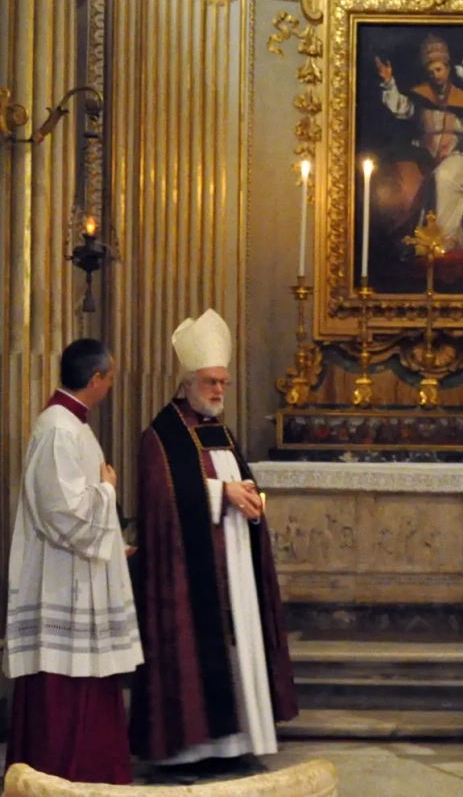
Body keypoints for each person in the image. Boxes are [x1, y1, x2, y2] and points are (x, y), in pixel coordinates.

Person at [130, 309, 298, 769]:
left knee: (237, 646)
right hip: (189, 578)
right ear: (187, 382)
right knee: (196, 648)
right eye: (210, 382)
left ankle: (238, 740)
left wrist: (251, 501)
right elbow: (160, 502)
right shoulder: (162, 435)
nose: (219, 390)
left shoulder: (220, 430)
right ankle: (190, 748)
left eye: (223, 382)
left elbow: (237, 482)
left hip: (237, 568)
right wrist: (222, 493)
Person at [4, 339, 142, 784]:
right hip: (60, 582)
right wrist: (107, 492)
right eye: (110, 378)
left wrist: (111, 545)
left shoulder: (72, 425)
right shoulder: (59, 429)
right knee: (63, 684)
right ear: (95, 379)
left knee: (87, 677)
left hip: (78, 574)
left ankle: (92, 774)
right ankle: (63, 777)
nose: (111, 386)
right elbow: (59, 510)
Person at [375, 33, 463, 254]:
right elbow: (400, 106)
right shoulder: (421, 97)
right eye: (431, 71)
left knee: (444, 177)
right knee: (417, 190)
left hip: (459, 157)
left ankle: (437, 246)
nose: (435, 75)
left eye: (439, 69)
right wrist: (389, 82)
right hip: (426, 158)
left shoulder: (462, 98)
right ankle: (444, 247)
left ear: (448, 69)